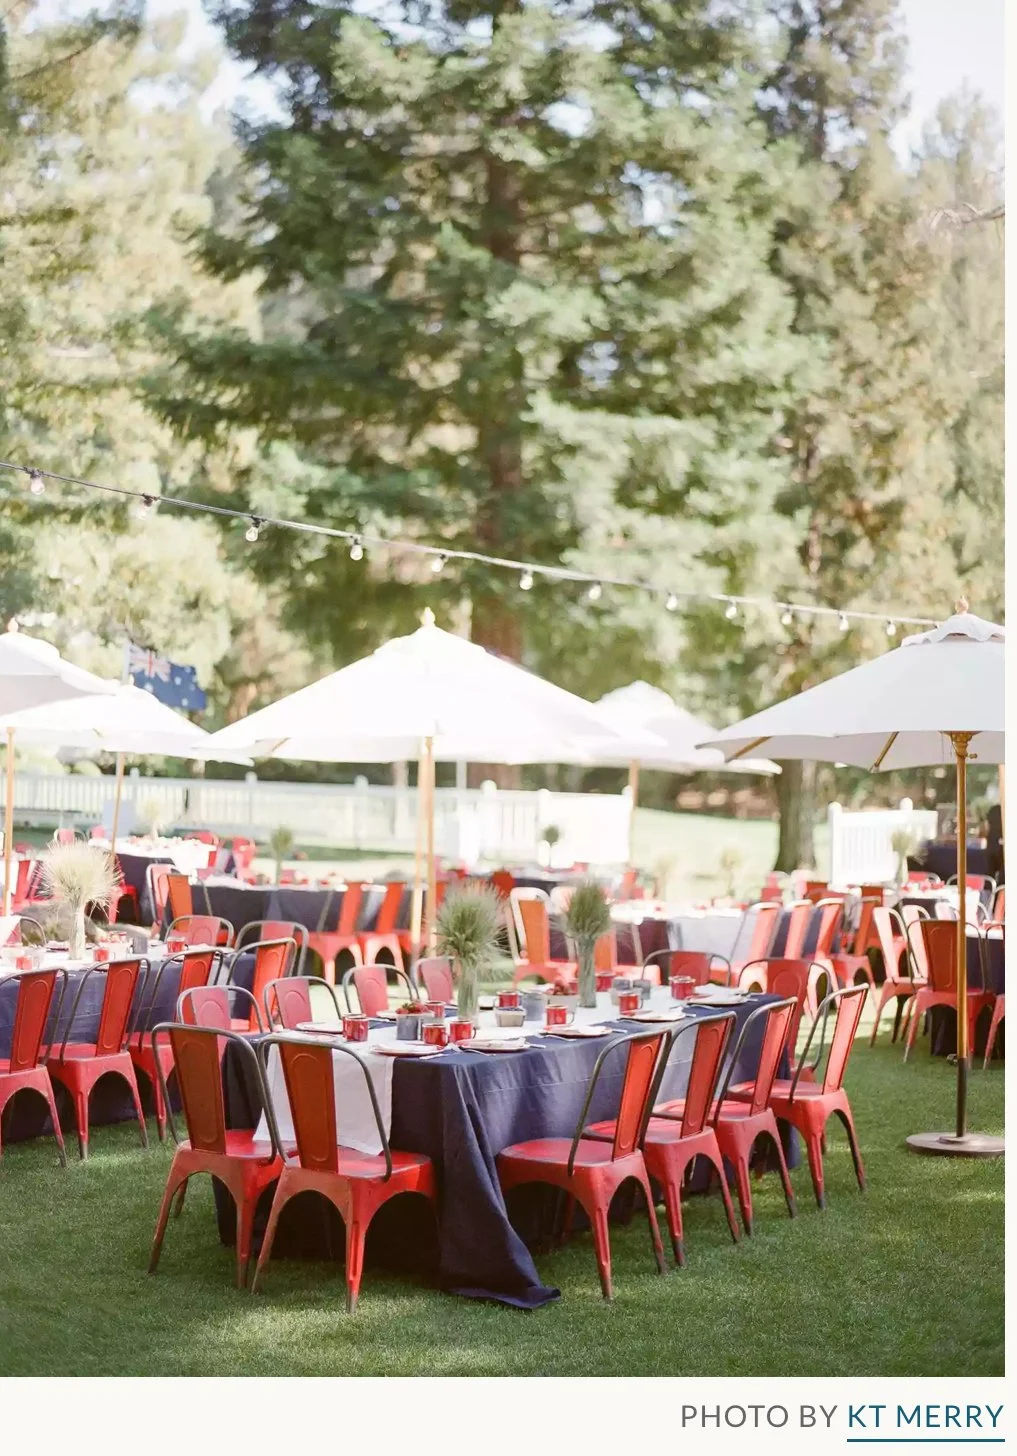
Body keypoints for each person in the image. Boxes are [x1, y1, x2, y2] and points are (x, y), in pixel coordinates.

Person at [985, 801, 1004, 884]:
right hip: (1000, 847)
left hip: (992, 845)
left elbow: (986, 827)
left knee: (990, 875)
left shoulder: (994, 809)